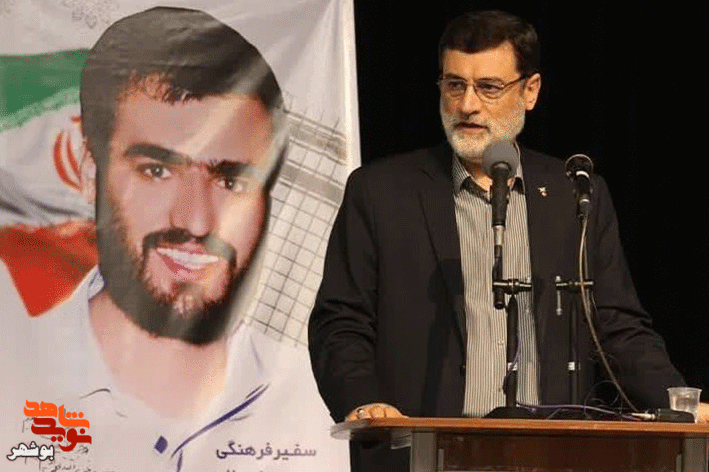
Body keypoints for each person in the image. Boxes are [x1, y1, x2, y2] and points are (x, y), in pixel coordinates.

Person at [308, 10, 708, 472]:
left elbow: (616, 326)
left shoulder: (574, 194)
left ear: (530, 90)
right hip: (420, 453)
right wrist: (364, 401)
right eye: (454, 85)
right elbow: (340, 321)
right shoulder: (381, 192)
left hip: (552, 457)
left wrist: (679, 404)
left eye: (489, 87)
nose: (467, 105)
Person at [0, 7, 346, 471]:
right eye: (156, 171)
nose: (196, 221)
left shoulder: (315, 392)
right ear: (88, 171)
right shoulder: (14, 372)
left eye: (231, 181)